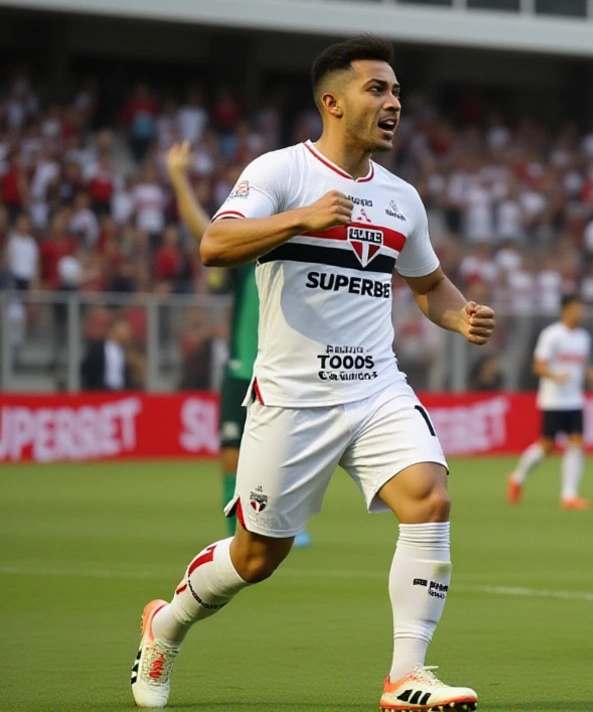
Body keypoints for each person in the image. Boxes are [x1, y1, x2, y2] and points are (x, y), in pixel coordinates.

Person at [130, 36, 495, 711]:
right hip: (292, 399)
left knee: (430, 498)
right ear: (332, 101)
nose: (394, 102)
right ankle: (166, 623)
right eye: (376, 90)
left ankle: (405, 675)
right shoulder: (280, 172)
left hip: (377, 387)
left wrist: (458, 315)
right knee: (256, 559)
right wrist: (302, 217)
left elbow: (429, 283)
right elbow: (214, 244)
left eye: (395, 91)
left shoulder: (401, 199)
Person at [166, 141, 312, 549]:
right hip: (241, 366)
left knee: (282, 456)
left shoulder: (295, 252)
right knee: (231, 454)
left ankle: (282, 524)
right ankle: (235, 536)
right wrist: (179, 176)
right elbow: (204, 233)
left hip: (285, 370)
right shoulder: (247, 254)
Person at [507, 294, 593, 509]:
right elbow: (538, 366)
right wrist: (555, 376)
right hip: (553, 400)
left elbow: (582, 367)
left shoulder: (583, 337)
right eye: (577, 308)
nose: (581, 313)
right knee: (547, 447)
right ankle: (517, 476)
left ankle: (569, 496)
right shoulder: (552, 335)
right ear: (566, 310)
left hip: (574, 400)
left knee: (577, 444)